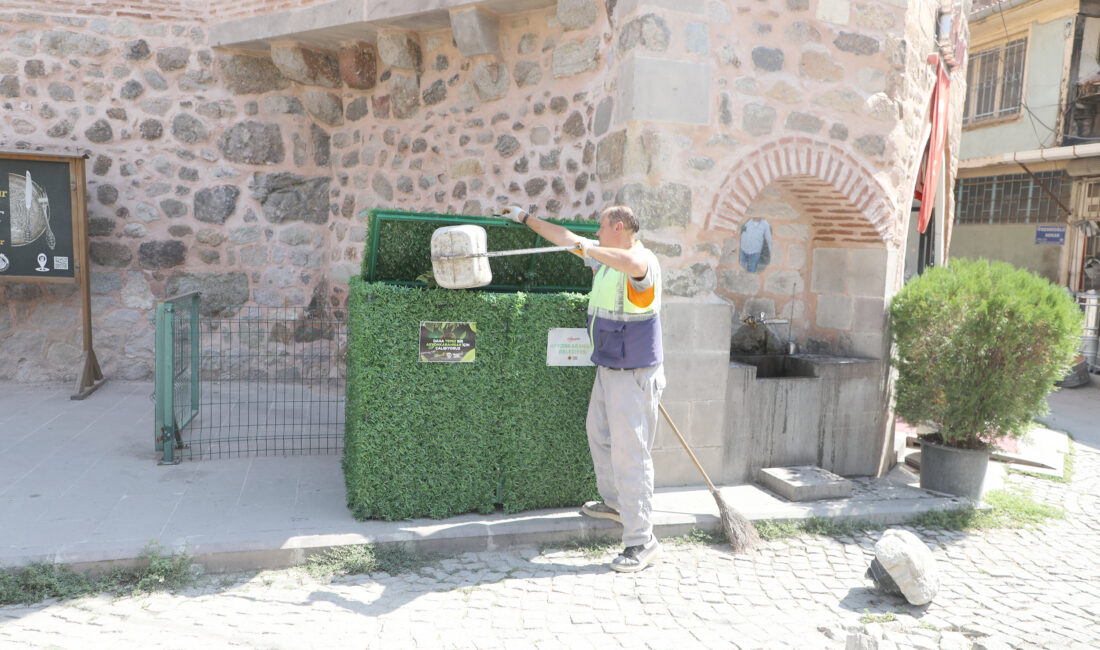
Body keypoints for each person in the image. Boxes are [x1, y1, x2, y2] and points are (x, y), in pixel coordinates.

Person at [500, 204, 665, 572]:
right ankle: (618, 505)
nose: (595, 232)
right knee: (599, 434)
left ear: (618, 226)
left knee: (631, 456)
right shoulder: (605, 260)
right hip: (610, 367)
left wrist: (589, 249)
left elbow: (634, 268)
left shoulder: (642, 261)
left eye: (601, 227)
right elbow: (566, 238)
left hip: (634, 373)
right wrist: (525, 218)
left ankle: (642, 541)